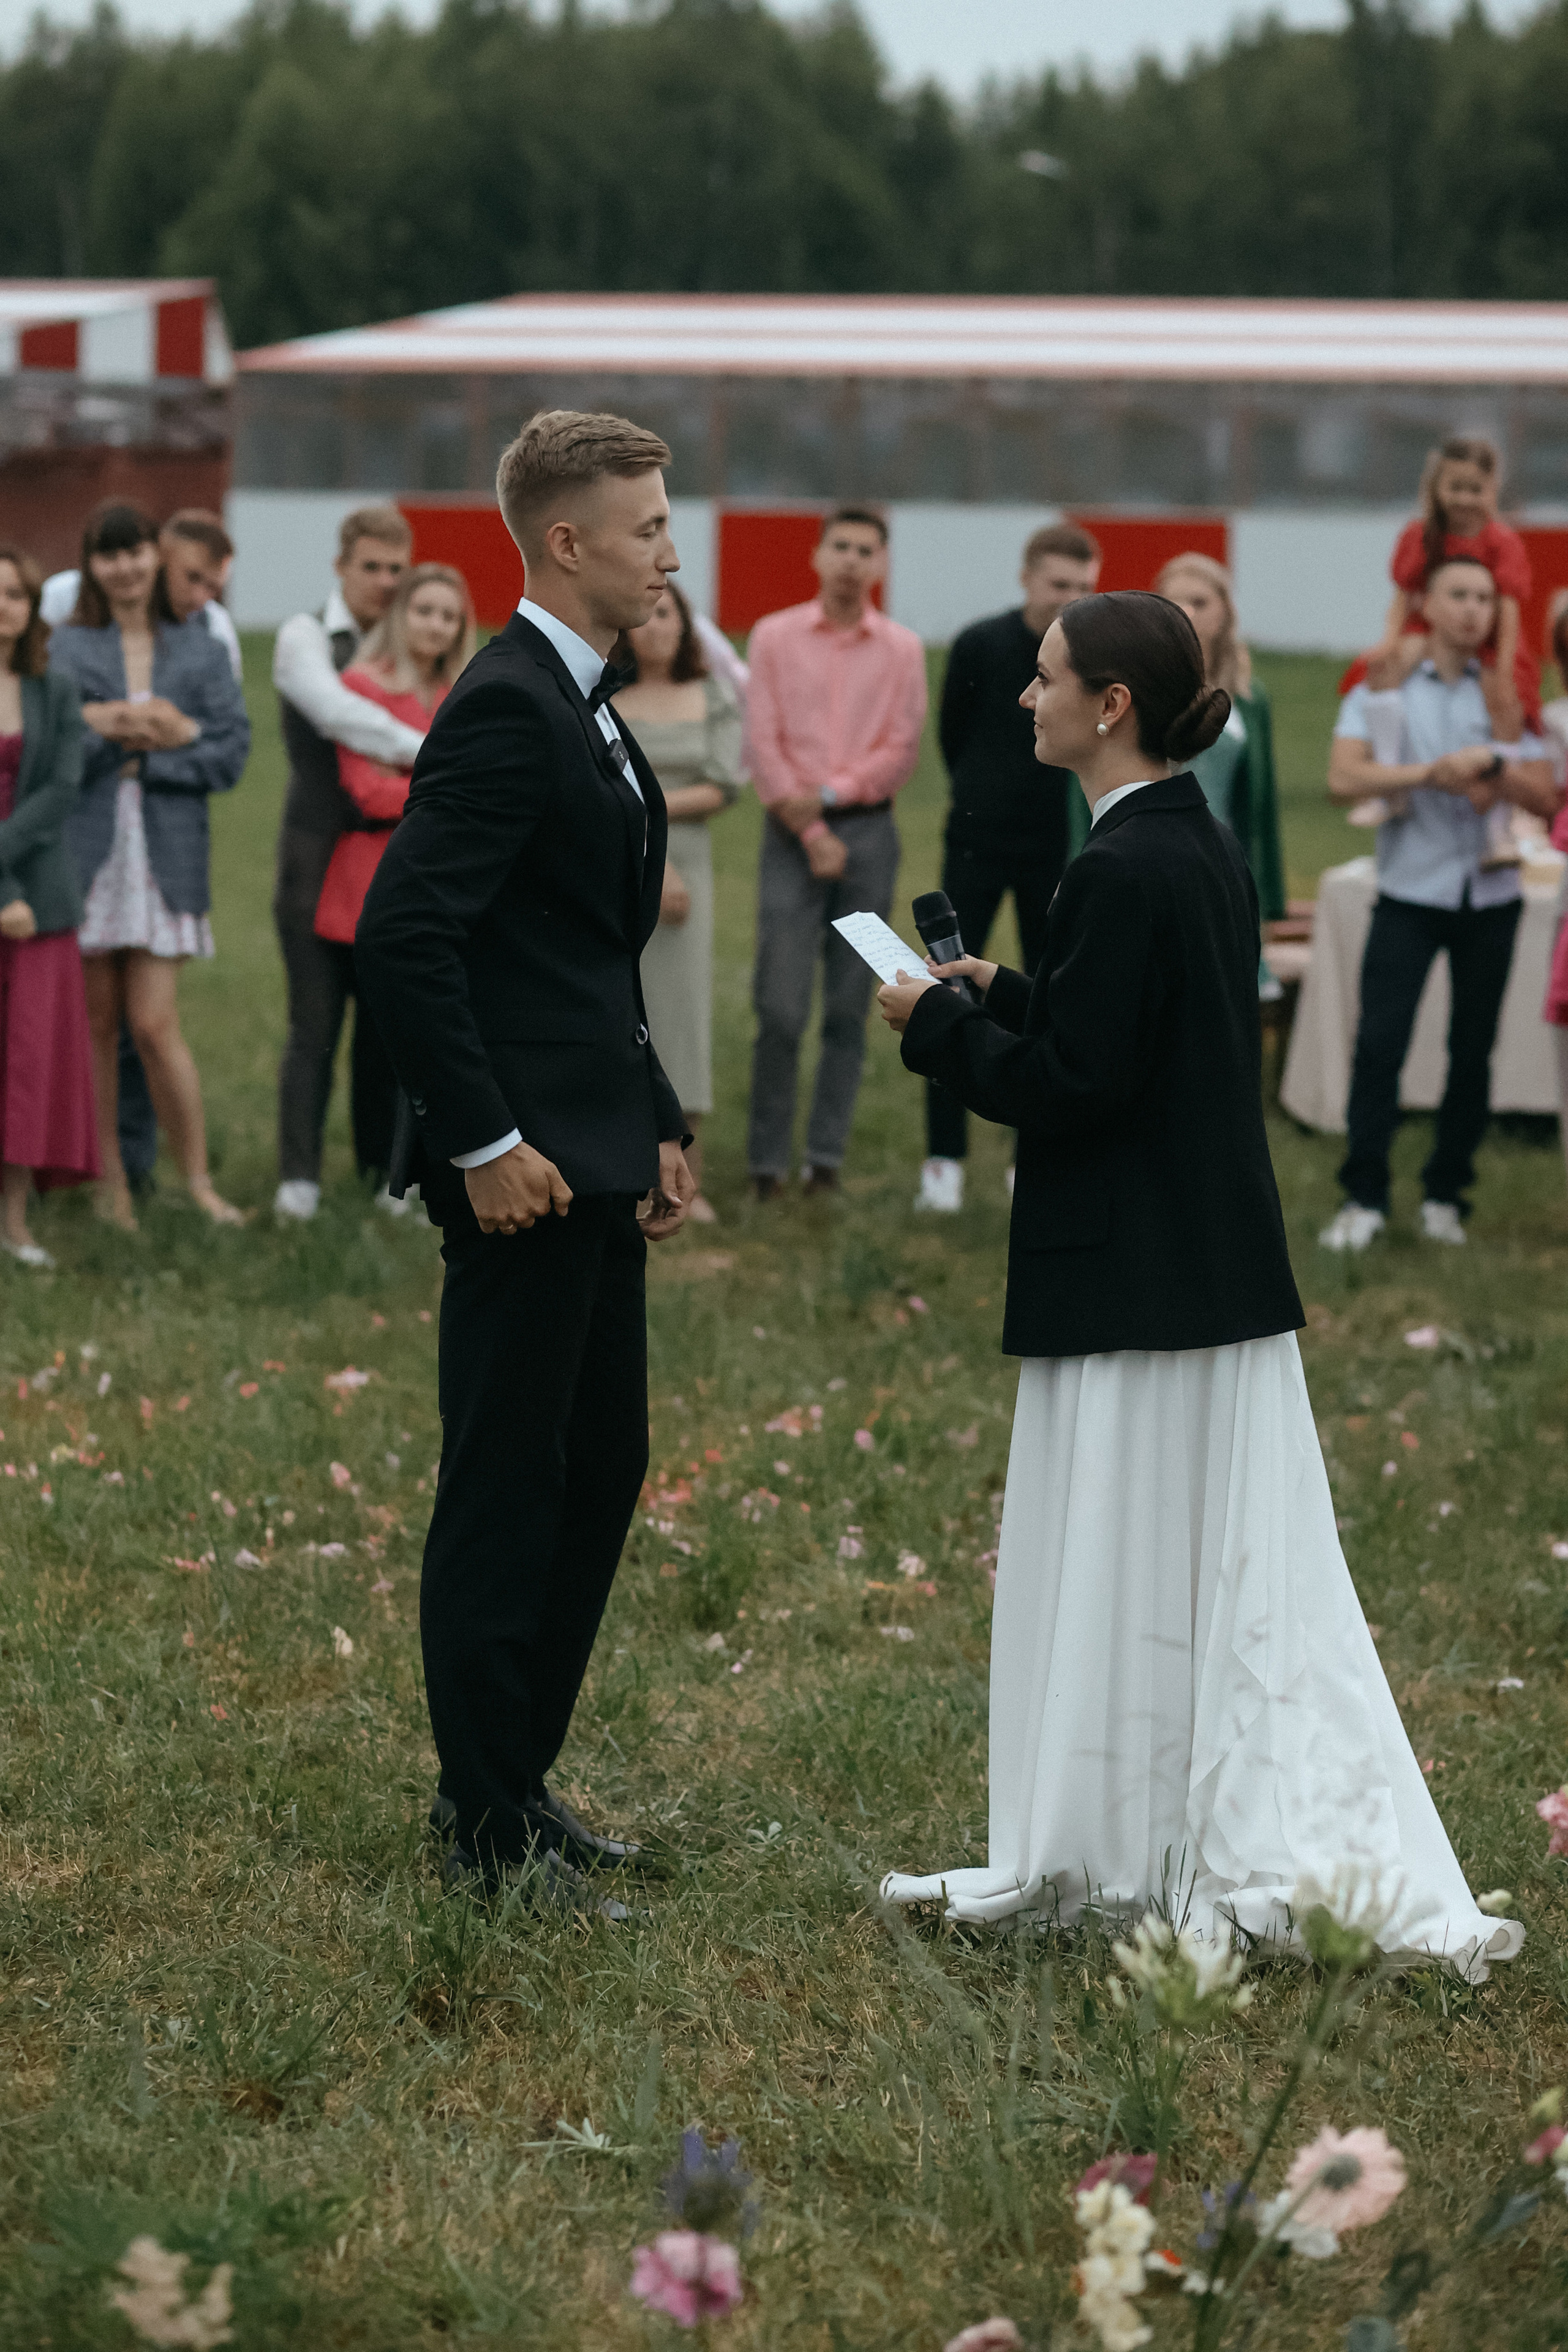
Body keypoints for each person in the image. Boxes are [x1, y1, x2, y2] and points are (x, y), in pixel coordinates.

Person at [872, 589, 1522, 1984]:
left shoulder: (1117, 864)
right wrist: (1003, 989)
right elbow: (1136, 1030)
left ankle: (1122, 1839)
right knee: (1185, 1564)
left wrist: (935, 1026)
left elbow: (1077, 1086)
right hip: (1197, 1266)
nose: (1025, 696)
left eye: (1046, 678)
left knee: (1130, 1555)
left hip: (1138, 1281)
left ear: (1109, 705)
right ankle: (1137, 1828)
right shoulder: (1186, 839)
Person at [355, 409, 695, 1910]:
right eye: (648, 527)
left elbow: (575, 950)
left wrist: (659, 1112)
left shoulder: (585, 700)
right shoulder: (504, 704)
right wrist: (484, 1140)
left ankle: (511, 1783)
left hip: (599, 1149)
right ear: (567, 541)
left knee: (598, 1465)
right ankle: (483, 1830)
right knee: (508, 1481)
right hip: (522, 1174)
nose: (668, 551)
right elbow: (405, 938)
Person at [1321, 556, 1559, 1253]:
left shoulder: (1507, 690)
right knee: (1380, 1044)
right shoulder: (1386, 683)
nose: (1473, 609)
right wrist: (1431, 773)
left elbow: (1546, 797)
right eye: (1459, 594)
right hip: (1410, 890)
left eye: (1485, 597)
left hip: (1491, 894)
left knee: (1472, 1049)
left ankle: (1445, 1195)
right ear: (1426, 600)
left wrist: (1494, 767)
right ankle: (1363, 1196)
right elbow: (1342, 778)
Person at [50, 502, 251, 1232]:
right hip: (90, 853)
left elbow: (229, 752)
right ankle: (111, 1185)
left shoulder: (201, 646)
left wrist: (164, 745)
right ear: (93, 566)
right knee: (97, 1027)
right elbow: (51, 748)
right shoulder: (69, 646)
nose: (125, 568)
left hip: (166, 851)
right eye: (109, 556)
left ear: (154, 556)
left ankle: (196, 1180)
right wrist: (117, 730)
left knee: (155, 1025)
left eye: (135, 552)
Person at [744, 507, 927, 1199]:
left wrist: (829, 794)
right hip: (790, 837)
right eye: (841, 547)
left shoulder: (903, 649)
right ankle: (766, 1164)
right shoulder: (773, 636)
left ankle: (825, 1161)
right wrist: (812, 830)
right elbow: (762, 740)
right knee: (780, 1007)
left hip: (869, 837)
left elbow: (901, 748)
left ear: (881, 563)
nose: (851, 560)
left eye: (865, 550)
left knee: (851, 1007)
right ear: (817, 556)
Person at [918, 522, 1100, 1214]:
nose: (1070, 597)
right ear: (1027, 579)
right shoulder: (980, 645)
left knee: (1045, 1002)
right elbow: (952, 733)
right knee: (948, 988)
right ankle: (944, 1160)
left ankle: (1034, 1155)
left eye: (1084, 587)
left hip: (1056, 851)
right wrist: (981, 798)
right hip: (975, 842)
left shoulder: (1092, 659)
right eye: (1059, 583)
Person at [271, 505, 426, 1223]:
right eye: (371, 567)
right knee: (314, 1026)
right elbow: (336, 714)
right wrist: (434, 756)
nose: (385, 582)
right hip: (314, 858)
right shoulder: (304, 636)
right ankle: (297, 1180)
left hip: (394, 869)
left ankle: (383, 1173)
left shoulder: (414, 644)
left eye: (397, 569)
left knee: (387, 1035)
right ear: (340, 566)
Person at [312, 562, 475, 1202]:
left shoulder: (463, 693)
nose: (436, 625)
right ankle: (380, 1170)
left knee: (441, 1038)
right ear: (400, 616)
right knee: (380, 1042)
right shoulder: (361, 686)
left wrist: (413, 787)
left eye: (449, 615)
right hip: (371, 884)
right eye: (424, 610)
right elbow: (366, 789)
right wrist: (448, 794)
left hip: (450, 891)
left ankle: (436, 1164)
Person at [613, 581, 744, 1222]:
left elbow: (722, 786)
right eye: (648, 614)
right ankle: (620, 1169)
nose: (657, 626)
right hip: (616, 864)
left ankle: (686, 1179)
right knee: (619, 1010)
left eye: (669, 614)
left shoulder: (714, 697)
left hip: (687, 868)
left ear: (687, 626)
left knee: (681, 1016)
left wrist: (647, 808)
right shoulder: (605, 698)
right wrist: (644, 834)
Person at [0, 545, 97, 1266]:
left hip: (42, 900)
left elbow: (60, 790)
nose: (1, 607)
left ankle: (14, 1222)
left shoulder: (54, 688)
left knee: (27, 1065)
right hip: (12, 894)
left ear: (31, 608)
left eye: (13, 594)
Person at [1362, 434, 1536, 737]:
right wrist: (1389, 641)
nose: (1465, 499)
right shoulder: (1420, 536)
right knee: (1389, 667)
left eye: (1475, 490)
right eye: (1455, 488)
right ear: (1437, 487)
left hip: (1488, 636)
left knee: (1503, 696)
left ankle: (1502, 753)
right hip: (1430, 627)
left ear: (1492, 490)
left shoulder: (1502, 542)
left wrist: (1505, 670)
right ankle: (1385, 749)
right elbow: (1403, 597)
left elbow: (1509, 612)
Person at [1152, 551, 1286, 925]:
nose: (1186, 612)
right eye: (1174, 602)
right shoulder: (1138, 688)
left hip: (1225, 867)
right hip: (1149, 862)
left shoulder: (1249, 697)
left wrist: (1270, 900)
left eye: (1199, 602)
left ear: (1225, 611)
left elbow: (1263, 804)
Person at [42, 507, 243, 683]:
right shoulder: (65, 595)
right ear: (160, 556)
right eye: (192, 577)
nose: (199, 598)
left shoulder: (215, 625)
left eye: (213, 589)